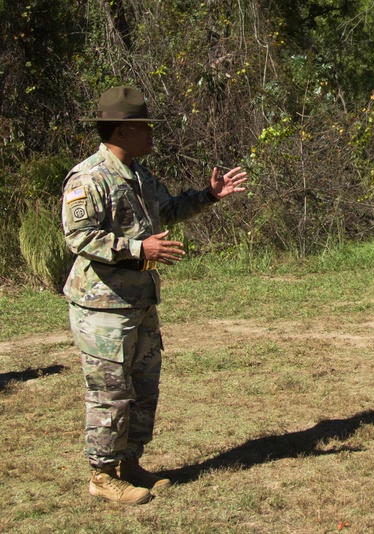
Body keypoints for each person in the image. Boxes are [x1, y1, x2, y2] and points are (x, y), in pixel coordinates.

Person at [62, 86, 248, 505]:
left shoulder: (141, 175)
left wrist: (209, 196)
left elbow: (168, 211)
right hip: (102, 305)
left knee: (143, 387)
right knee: (109, 391)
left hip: (141, 300)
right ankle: (102, 474)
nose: (151, 132)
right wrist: (136, 249)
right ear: (123, 130)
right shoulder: (89, 176)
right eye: (144, 125)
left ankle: (129, 464)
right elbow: (78, 236)